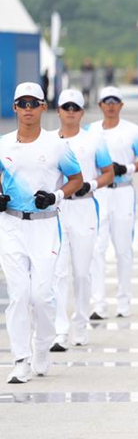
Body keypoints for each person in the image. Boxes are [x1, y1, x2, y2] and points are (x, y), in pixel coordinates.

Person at [0, 82, 83, 383]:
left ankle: (41, 346)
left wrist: (56, 196)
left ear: (43, 107)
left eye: (33, 103)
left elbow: (76, 179)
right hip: (10, 226)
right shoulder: (3, 144)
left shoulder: (57, 146)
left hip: (46, 225)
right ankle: (20, 359)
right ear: (14, 108)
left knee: (42, 296)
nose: (28, 109)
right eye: (22, 103)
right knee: (19, 294)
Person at [51, 89, 114, 351]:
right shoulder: (48, 141)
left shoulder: (94, 141)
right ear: (58, 111)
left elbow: (109, 173)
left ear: (82, 112)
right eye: (66, 107)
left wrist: (91, 185)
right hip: (56, 210)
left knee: (81, 271)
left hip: (85, 208)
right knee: (57, 272)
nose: (70, 112)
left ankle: (80, 323)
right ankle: (59, 330)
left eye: (75, 107)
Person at [88, 86, 138, 320]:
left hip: (123, 192)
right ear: (100, 105)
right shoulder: (91, 131)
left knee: (123, 249)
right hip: (101, 193)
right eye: (106, 101)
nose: (111, 105)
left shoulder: (133, 131)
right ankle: (98, 304)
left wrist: (128, 168)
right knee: (97, 249)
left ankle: (124, 302)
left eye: (115, 101)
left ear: (121, 105)